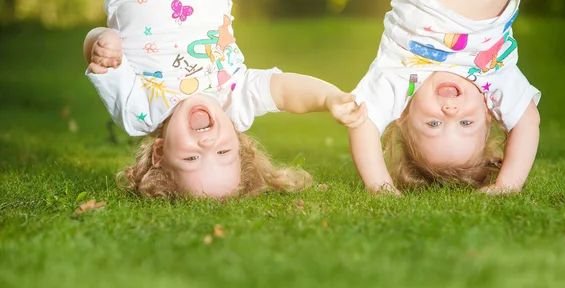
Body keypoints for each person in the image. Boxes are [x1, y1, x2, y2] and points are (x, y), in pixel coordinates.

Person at [84, 0, 362, 198]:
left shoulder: (139, 113)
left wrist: (103, 41)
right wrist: (328, 98)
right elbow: (283, 91)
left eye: (192, 157)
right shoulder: (232, 99)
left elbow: (98, 54)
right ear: (238, 140)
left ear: (159, 152)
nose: (206, 143)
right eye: (223, 152)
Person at [345, 0, 541, 194]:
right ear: (487, 112)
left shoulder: (399, 77)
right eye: (465, 123)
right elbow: (527, 121)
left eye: (433, 124)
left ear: (404, 115)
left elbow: (362, 121)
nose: (450, 112)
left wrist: (379, 186)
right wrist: (508, 184)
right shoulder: (495, 78)